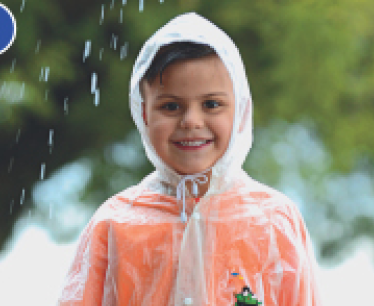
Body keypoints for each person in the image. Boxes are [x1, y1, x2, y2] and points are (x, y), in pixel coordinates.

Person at [58, 12, 322, 305]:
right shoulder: (113, 225)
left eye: (211, 104)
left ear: (241, 110)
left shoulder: (275, 221)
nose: (191, 121)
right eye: (171, 106)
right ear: (144, 113)